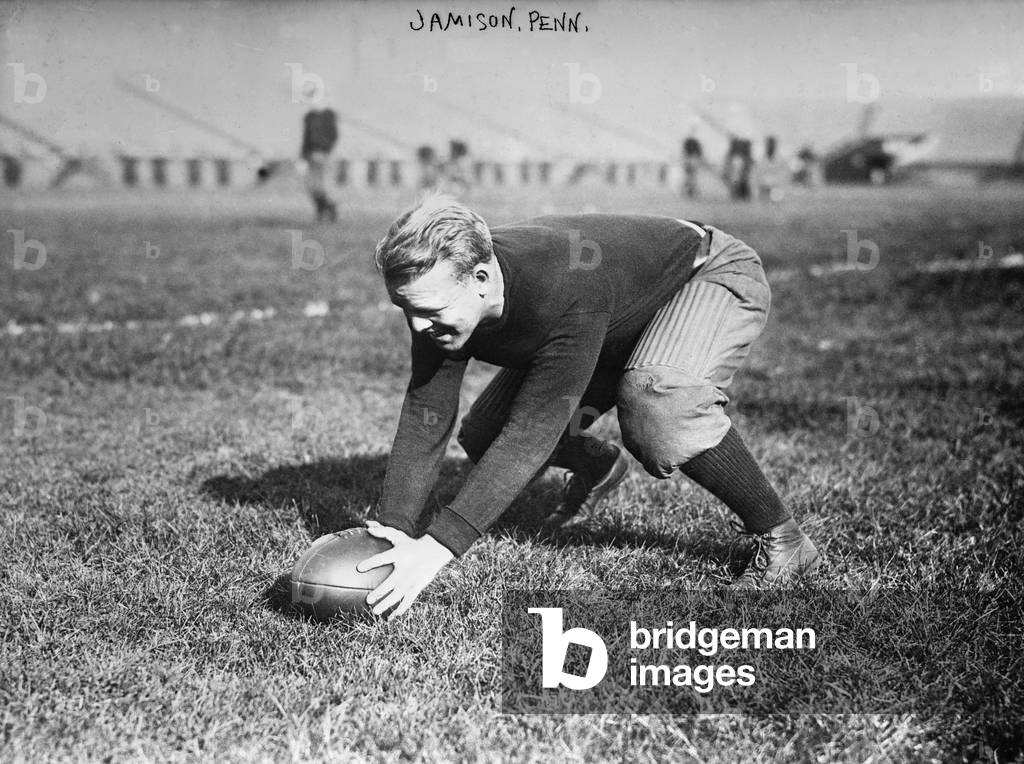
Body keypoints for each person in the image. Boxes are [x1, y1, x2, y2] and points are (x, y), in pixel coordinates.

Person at [357, 195, 820, 618]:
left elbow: (530, 433)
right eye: (405, 309)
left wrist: (438, 546)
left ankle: (783, 537)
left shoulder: (561, 289)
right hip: (612, 315)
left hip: (705, 272)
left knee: (657, 403)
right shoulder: (441, 295)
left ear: (481, 278)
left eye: (429, 311)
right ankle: (598, 467)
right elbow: (426, 412)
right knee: (483, 433)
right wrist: (395, 526)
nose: (417, 327)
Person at [300, 102, 339, 222]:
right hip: (311, 156)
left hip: (323, 155)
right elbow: (306, 138)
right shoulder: (309, 117)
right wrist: (303, 155)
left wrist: (324, 150)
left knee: (321, 186)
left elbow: (333, 136)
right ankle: (323, 210)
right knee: (311, 187)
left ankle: (328, 211)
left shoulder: (328, 115)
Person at [681, 134, 704, 198]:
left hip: (689, 162)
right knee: (691, 177)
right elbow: (699, 153)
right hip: (692, 161)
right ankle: (691, 190)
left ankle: (689, 190)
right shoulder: (694, 147)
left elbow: (685, 153)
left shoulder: (688, 146)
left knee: (689, 177)